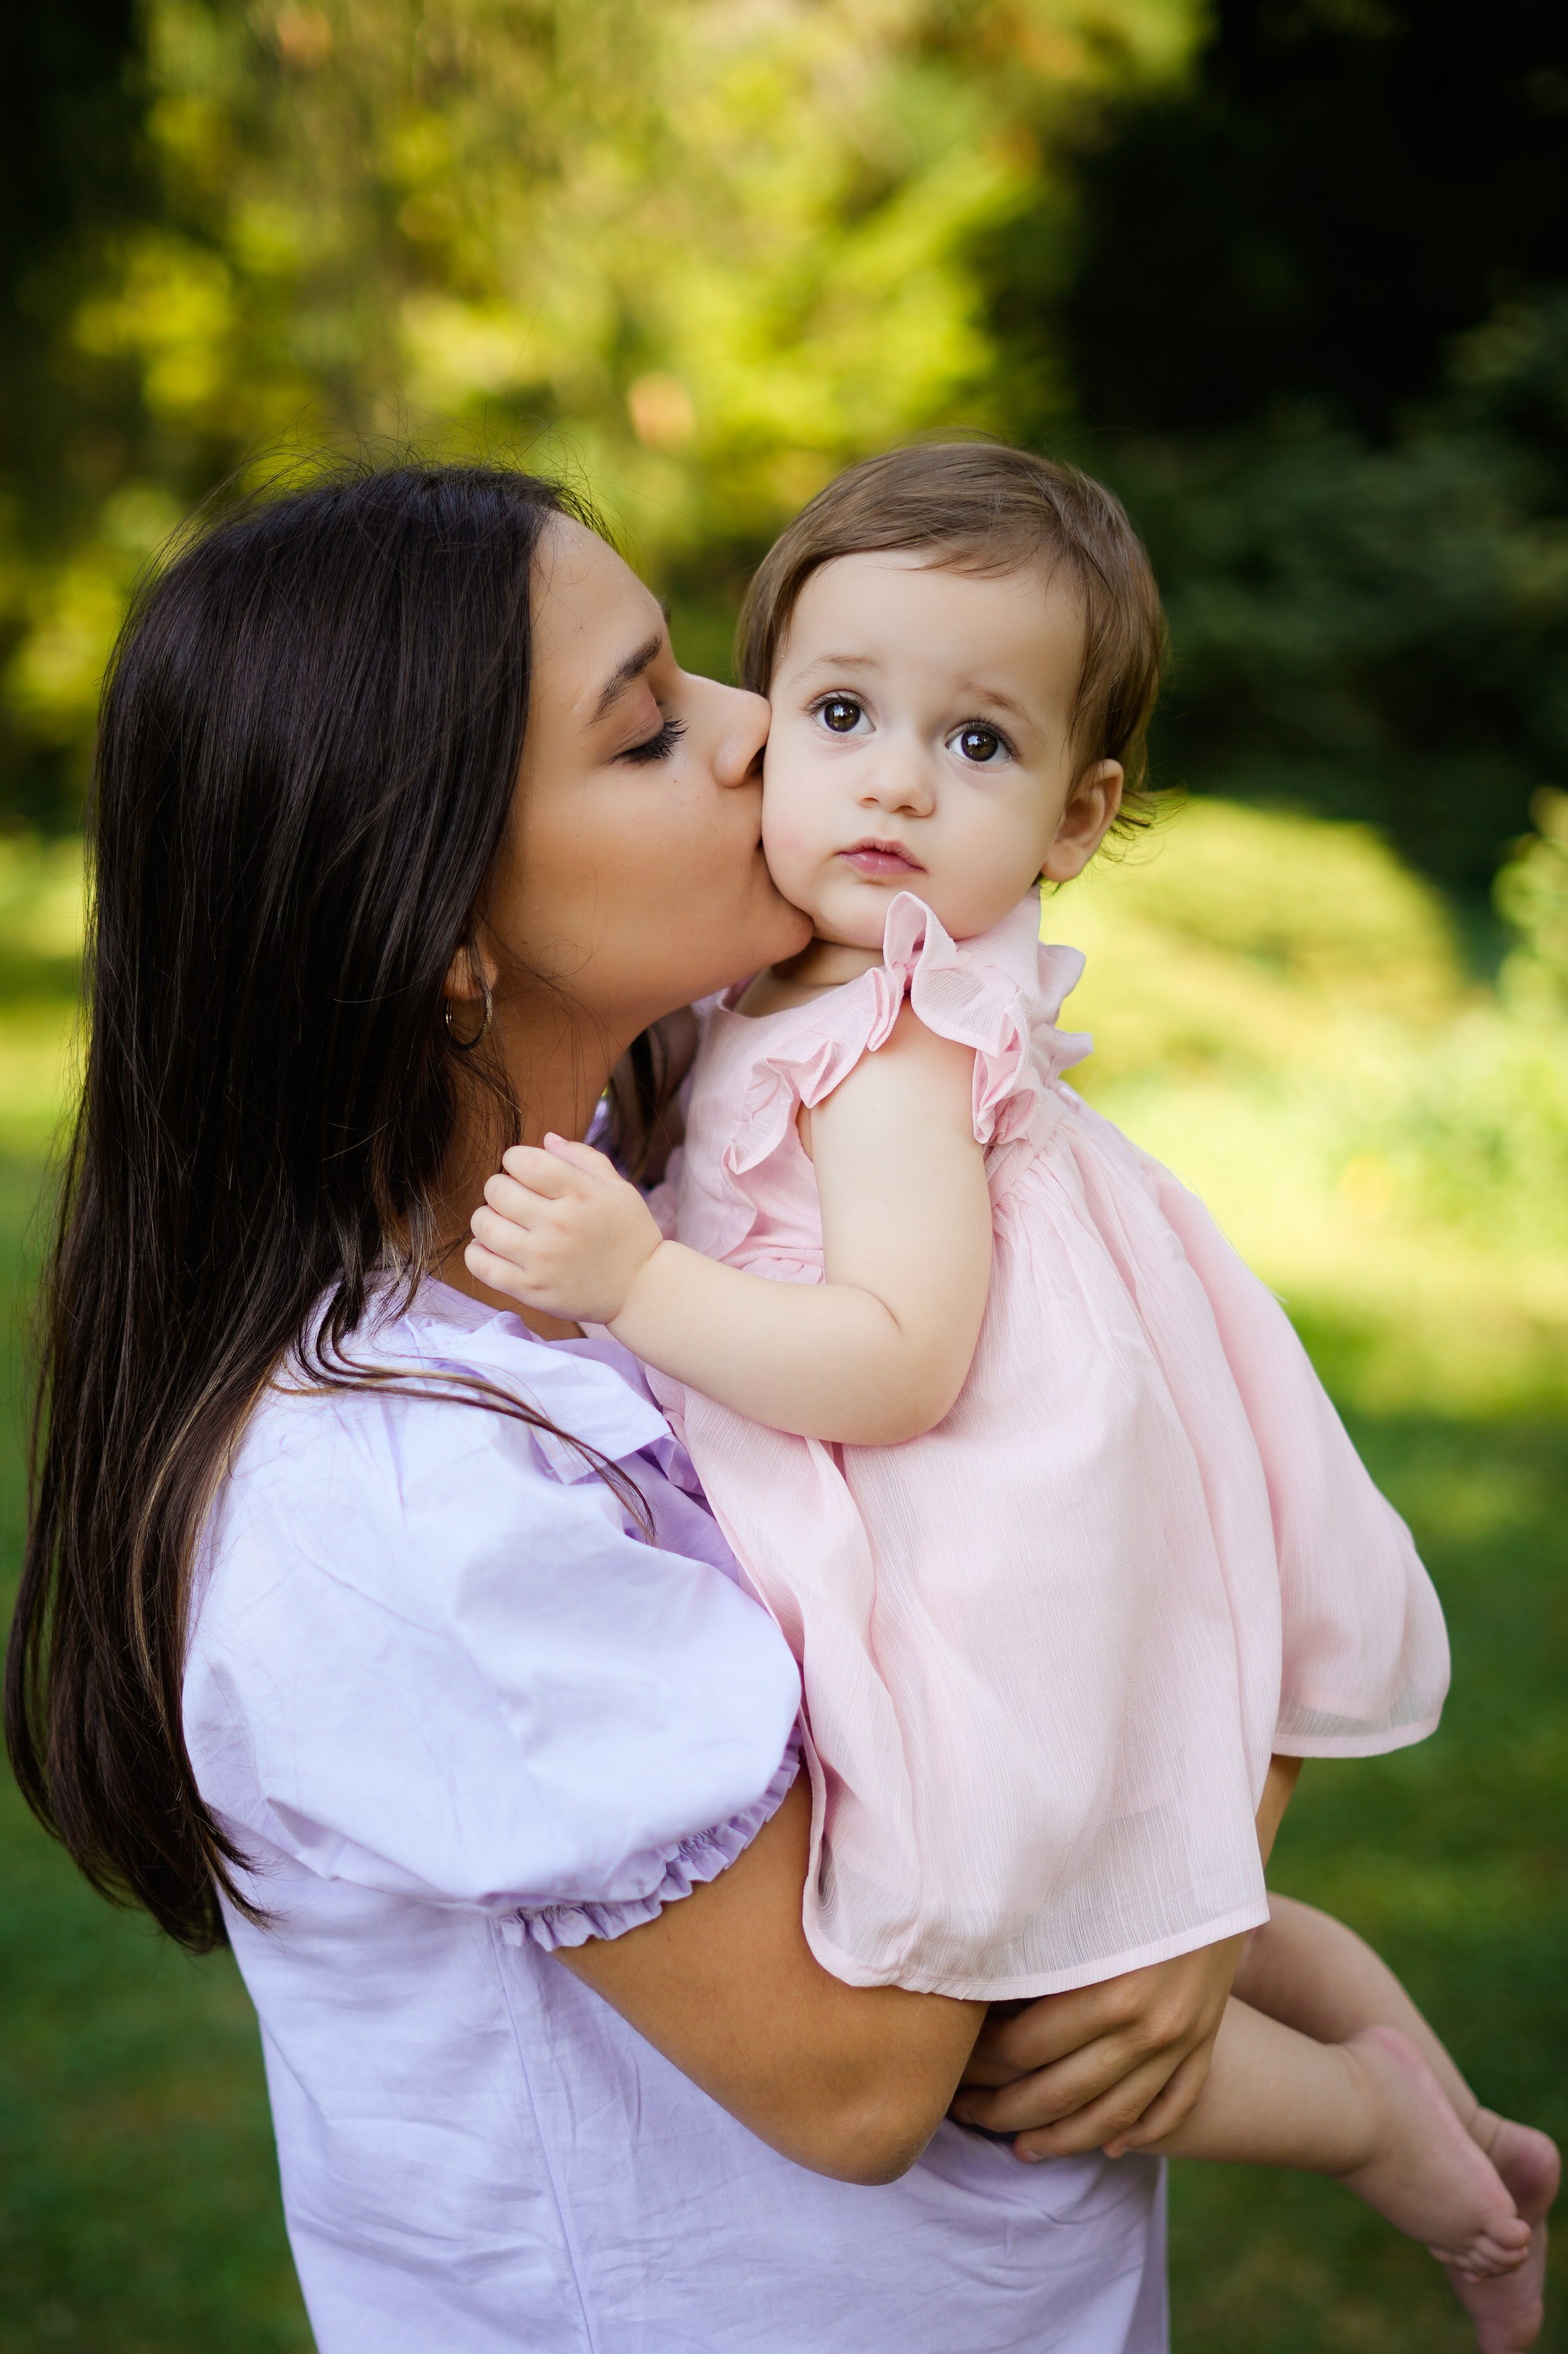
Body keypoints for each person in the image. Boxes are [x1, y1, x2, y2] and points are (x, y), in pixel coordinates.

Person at [5, 460, 1275, 2354]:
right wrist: (1168, 1867)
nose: (764, 725)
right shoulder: (411, 1506)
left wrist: (1208, 1888)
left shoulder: (683, 1196)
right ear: (447, 937)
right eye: (652, 726)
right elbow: (863, 2076)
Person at [466, 443, 1559, 2353]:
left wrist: (638, 1284)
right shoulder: (792, 993)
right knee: (1153, 1890)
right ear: (770, 722)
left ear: (1078, 813)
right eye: (842, 714)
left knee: (1023, 2001)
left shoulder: (891, 1035)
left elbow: (899, 1360)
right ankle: (1445, 2101)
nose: (896, 778)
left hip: (987, 1535)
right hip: (1037, 1505)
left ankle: (1379, 2128)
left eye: (978, 743)